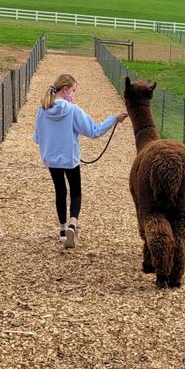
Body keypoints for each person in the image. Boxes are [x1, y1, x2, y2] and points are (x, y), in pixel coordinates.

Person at [33, 72, 127, 248]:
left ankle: (62, 230)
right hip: (70, 160)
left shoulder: (42, 110)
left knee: (60, 192)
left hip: (52, 160)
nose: (74, 95)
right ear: (66, 89)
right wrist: (114, 119)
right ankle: (72, 225)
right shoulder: (73, 110)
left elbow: (38, 138)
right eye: (73, 91)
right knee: (76, 192)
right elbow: (94, 131)